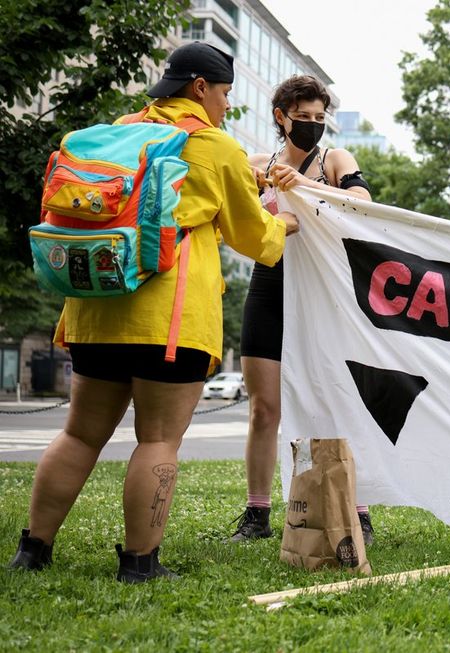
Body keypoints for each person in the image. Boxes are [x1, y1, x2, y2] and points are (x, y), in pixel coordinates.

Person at [7, 42, 300, 582]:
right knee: (159, 438)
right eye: (225, 93)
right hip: (171, 318)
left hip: (97, 306)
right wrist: (283, 223)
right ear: (199, 88)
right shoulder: (215, 147)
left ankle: (33, 551)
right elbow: (252, 237)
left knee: (79, 434)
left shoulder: (120, 130)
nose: (228, 105)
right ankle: (140, 563)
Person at [230, 74, 374, 543]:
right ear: (280, 117)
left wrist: (308, 189)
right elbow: (239, 221)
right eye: (303, 117)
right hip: (270, 288)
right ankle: (256, 515)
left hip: (323, 294)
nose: (312, 125)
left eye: (319, 118)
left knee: (338, 401)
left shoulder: (333, 159)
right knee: (263, 408)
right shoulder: (257, 164)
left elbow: (361, 204)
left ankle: (358, 510)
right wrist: (253, 188)